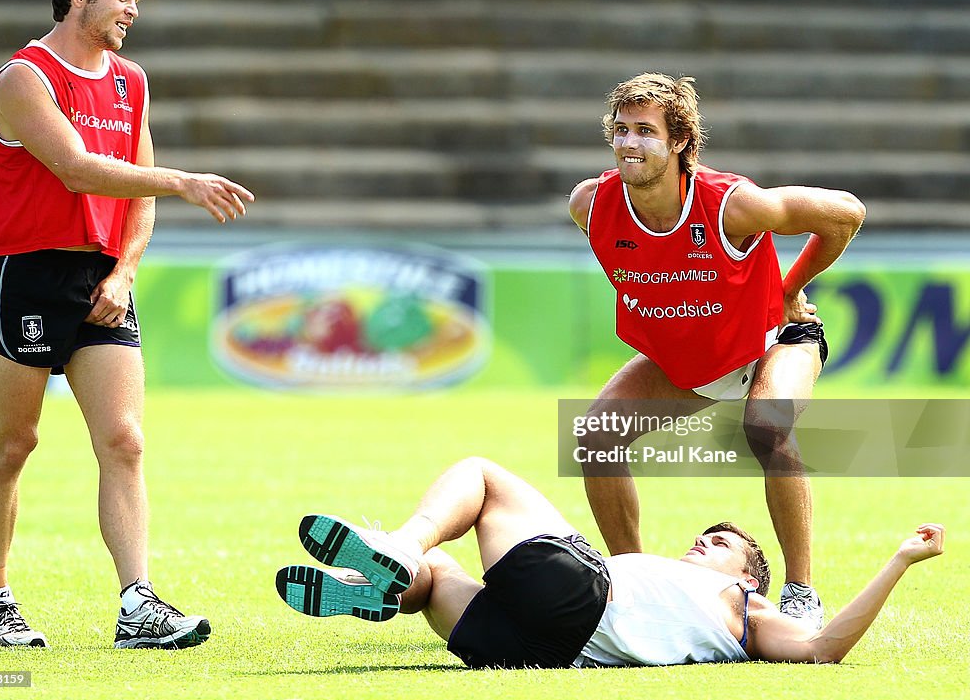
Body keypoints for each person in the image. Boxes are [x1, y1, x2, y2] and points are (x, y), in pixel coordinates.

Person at [0, 0, 254, 649]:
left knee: (125, 440)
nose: (133, 11)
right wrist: (185, 181)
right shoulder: (23, 77)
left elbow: (138, 196)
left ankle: (138, 604)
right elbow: (76, 168)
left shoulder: (133, 81)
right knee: (13, 443)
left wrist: (125, 271)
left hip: (103, 277)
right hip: (27, 274)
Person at [567, 73, 867, 628]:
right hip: (695, 361)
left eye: (645, 132)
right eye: (621, 130)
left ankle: (801, 594)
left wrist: (788, 288)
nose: (629, 143)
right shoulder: (591, 204)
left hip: (773, 340)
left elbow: (846, 212)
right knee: (596, 435)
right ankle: (632, 584)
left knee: (766, 425)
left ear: (680, 141)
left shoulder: (733, 204)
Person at [276, 457, 944, 668]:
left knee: (481, 476)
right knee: (437, 580)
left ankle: (396, 542)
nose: (704, 541)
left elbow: (825, 647)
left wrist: (900, 559)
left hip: (582, 597)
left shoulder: (748, 609)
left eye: (722, 543)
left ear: (746, 576)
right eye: (705, 535)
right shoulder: (687, 592)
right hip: (535, 649)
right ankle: (375, 582)